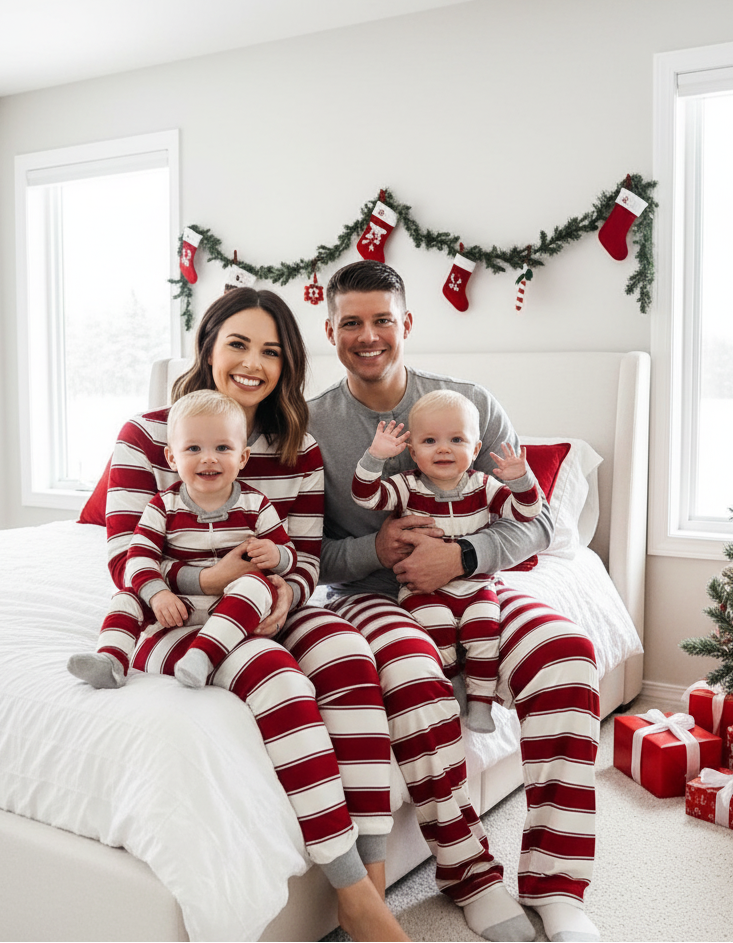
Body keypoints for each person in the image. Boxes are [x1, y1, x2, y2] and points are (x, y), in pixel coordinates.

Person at [70, 288, 408, 943]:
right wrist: (212, 578)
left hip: (266, 599)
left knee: (347, 654)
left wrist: (283, 593)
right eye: (238, 343)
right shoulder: (149, 434)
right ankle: (349, 889)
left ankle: (372, 881)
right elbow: (124, 559)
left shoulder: (296, 449)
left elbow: (303, 557)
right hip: (170, 611)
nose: (253, 362)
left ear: (287, 365)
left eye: (271, 350)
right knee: (273, 672)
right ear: (208, 346)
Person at [308, 260, 601, 943]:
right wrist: (375, 550)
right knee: (411, 672)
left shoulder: (470, 402)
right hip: (373, 596)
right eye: (350, 321)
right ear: (330, 330)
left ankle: (556, 886)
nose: (368, 334)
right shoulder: (314, 425)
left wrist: (463, 555)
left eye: (382, 318)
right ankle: (467, 874)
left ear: (405, 323)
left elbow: (533, 521)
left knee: (565, 653)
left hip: (479, 585)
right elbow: (305, 554)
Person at [69, 390, 298, 690]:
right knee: (126, 596)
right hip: (176, 605)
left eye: (222, 447)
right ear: (171, 457)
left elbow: (289, 554)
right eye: (192, 448)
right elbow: (138, 558)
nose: (208, 458)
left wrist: (276, 555)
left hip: (230, 608)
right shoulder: (163, 506)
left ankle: (202, 656)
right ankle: (111, 660)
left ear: (242, 457)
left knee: (257, 585)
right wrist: (158, 595)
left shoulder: (256, 505)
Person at [352, 393, 542, 734]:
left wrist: (521, 480)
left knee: (484, 631)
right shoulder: (406, 486)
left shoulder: (484, 486)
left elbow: (527, 513)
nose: (443, 449)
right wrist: (375, 456)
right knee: (434, 627)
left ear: (475, 448)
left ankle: (482, 703)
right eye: (429, 441)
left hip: (476, 584)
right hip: (422, 588)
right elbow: (366, 497)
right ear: (412, 451)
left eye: (456, 440)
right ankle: (455, 685)